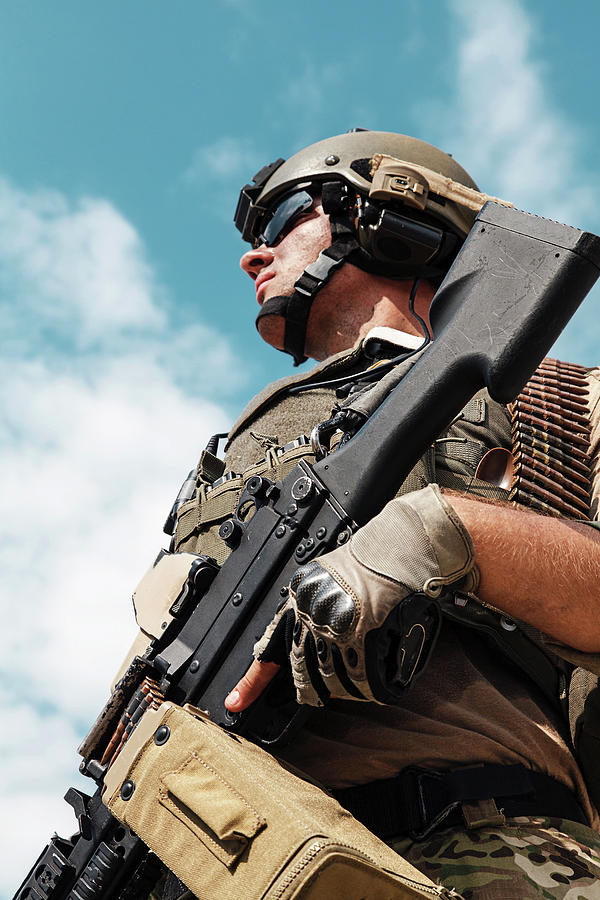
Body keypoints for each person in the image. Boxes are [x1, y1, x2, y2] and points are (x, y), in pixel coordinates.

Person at [170, 130, 600, 898]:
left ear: (387, 216)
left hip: (486, 851)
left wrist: (440, 533)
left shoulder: (562, 406)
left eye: (281, 224)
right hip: (236, 859)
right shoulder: (230, 453)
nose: (252, 256)